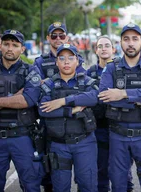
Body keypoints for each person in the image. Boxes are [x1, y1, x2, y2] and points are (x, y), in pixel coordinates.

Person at [0, 29, 44, 191]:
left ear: (22, 49)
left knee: (31, 184)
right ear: (1, 47)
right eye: (6, 44)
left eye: (15, 45)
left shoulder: (30, 71)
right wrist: (16, 98)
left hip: (23, 137)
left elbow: (28, 100)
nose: (10, 48)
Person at [98, 23, 141, 192]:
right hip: (118, 135)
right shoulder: (111, 67)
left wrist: (123, 94)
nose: (130, 43)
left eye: (135, 39)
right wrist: (139, 99)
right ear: (120, 43)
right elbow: (105, 96)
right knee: (118, 183)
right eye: (126, 39)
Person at [38, 43, 99, 192]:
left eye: (70, 58)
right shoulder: (49, 84)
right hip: (59, 145)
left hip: (84, 142)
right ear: (56, 62)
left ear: (77, 61)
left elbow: (94, 97)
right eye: (62, 58)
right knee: (60, 187)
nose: (66, 62)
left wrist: (63, 101)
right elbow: (43, 110)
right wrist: (70, 111)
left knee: (88, 186)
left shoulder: (87, 81)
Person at [34, 22, 85, 191]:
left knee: (83, 176)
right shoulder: (40, 62)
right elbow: (38, 89)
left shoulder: (78, 58)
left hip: (75, 126)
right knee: (50, 173)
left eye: (61, 35)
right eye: (54, 35)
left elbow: (81, 86)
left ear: (67, 37)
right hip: (51, 128)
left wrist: (60, 97)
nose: (58, 38)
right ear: (48, 38)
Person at [86, 35, 134, 192]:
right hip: (100, 127)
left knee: (123, 170)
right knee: (102, 168)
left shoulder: (123, 69)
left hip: (121, 124)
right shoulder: (90, 73)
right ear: (96, 50)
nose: (103, 48)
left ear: (114, 49)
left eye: (107, 45)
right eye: (100, 46)